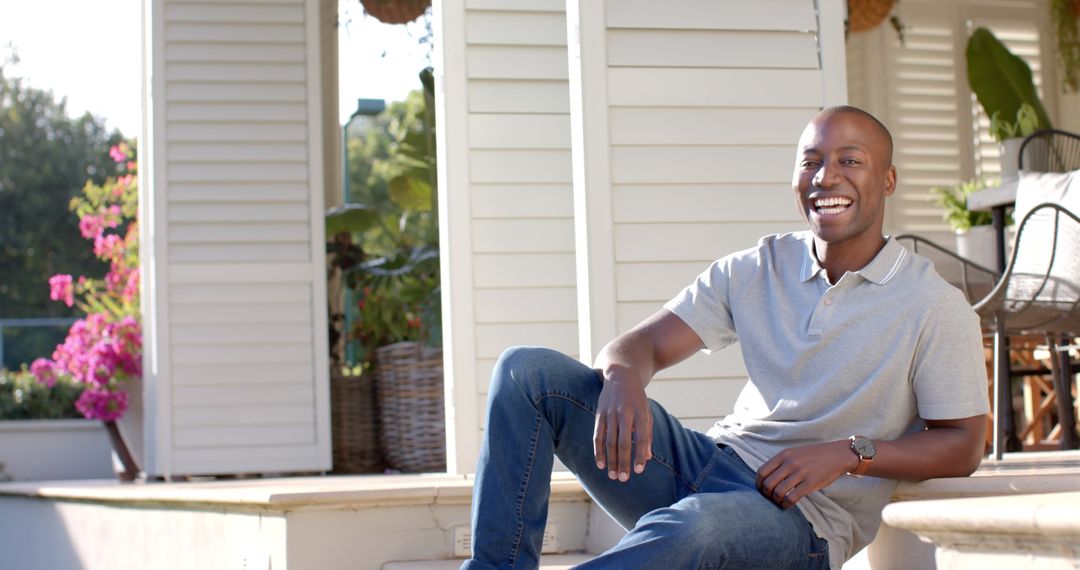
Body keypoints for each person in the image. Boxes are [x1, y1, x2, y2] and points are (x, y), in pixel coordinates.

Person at [461, 106, 990, 570]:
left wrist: (851, 453)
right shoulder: (757, 267)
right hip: (705, 464)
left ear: (889, 180)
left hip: (803, 519)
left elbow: (963, 444)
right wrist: (622, 377)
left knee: (696, 528)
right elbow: (639, 346)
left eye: (850, 161)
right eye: (810, 161)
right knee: (525, 371)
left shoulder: (934, 306)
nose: (825, 177)